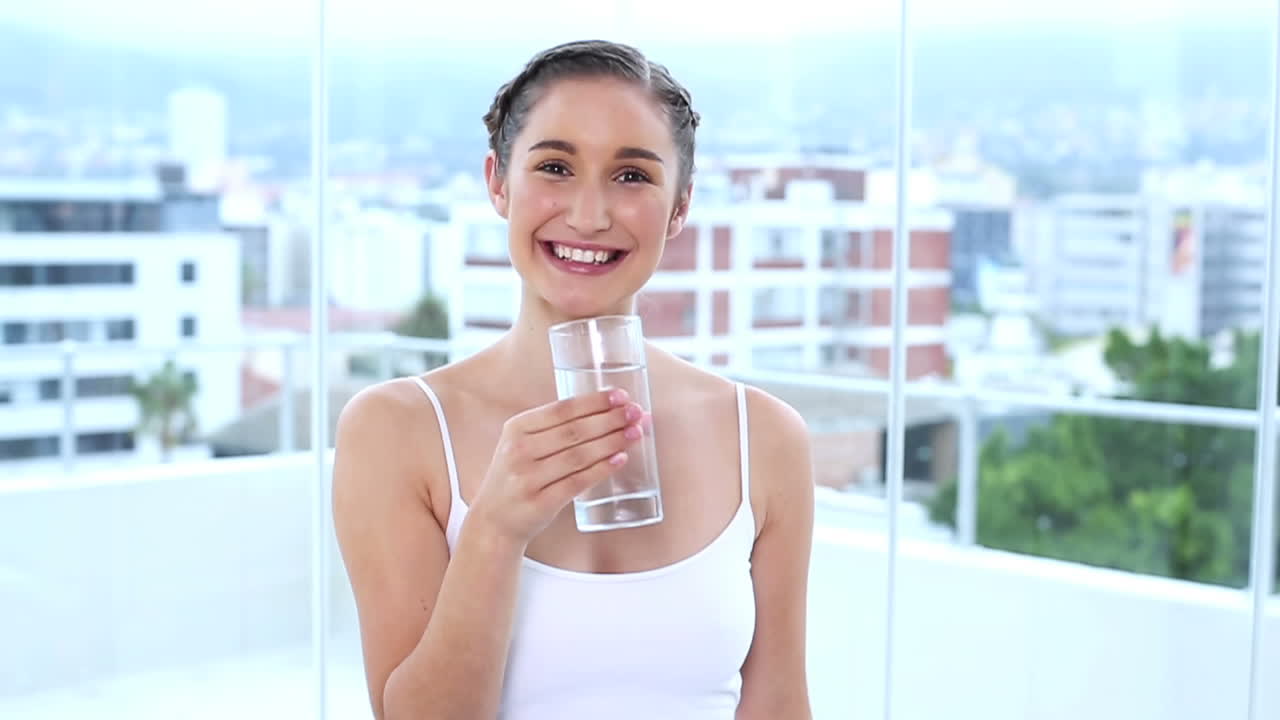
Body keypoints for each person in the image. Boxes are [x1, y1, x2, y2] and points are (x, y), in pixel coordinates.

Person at [333, 39, 815, 720]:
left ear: (679, 208)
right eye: (555, 167)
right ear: (498, 182)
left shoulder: (763, 438)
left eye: (632, 176)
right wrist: (496, 527)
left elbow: (780, 705)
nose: (589, 215)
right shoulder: (395, 431)